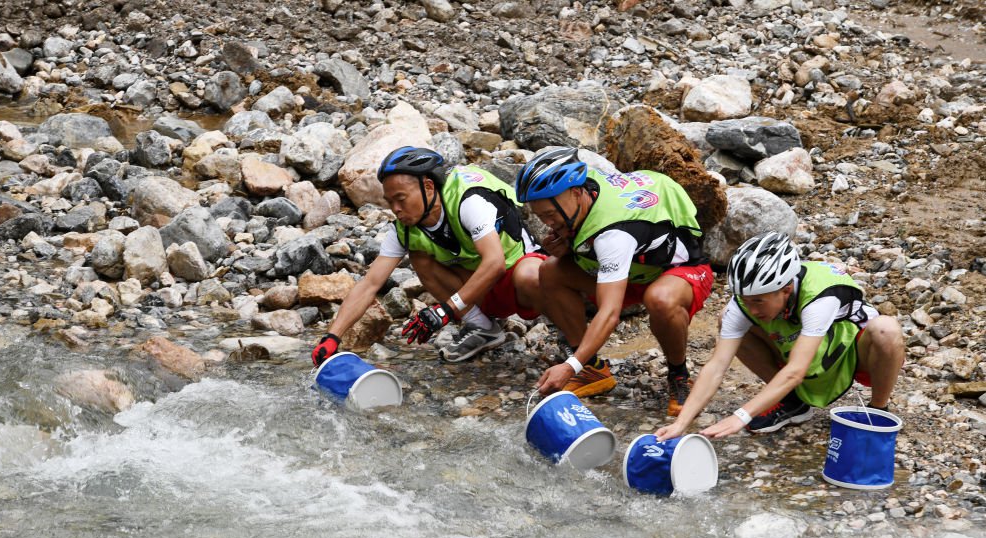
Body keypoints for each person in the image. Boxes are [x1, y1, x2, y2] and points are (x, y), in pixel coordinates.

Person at [515, 147, 713, 416]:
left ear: (576, 193)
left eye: (551, 214)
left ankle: (679, 376)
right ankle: (592, 369)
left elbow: (610, 313)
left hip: (680, 271)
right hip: (634, 269)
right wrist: (569, 243)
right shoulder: (588, 188)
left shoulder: (615, 235)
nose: (548, 223)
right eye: (541, 217)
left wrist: (568, 365)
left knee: (660, 300)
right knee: (551, 270)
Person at [655, 232, 905, 441]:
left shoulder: (821, 295)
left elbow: (796, 370)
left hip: (847, 354)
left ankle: (878, 411)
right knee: (727, 320)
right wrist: (682, 422)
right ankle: (791, 402)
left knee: (887, 329)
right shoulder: (744, 303)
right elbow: (717, 366)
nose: (751, 309)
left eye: (758, 301)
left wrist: (741, 416)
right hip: (796, 349)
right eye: (744, 300)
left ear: (786, 290)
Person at [311, 146, 545, 366]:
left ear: (429, 187)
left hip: (521, 284)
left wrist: (444, 311)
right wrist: (332, 336)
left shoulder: (468, 201)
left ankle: (571, 342)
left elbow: (494, 264)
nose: (395, 209)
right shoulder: (404, 230)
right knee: (420, 256)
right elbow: (370, 284)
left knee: (531, 275)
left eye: (401, 199)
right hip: (481, 291)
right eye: (390, 202)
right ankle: (483, 328)